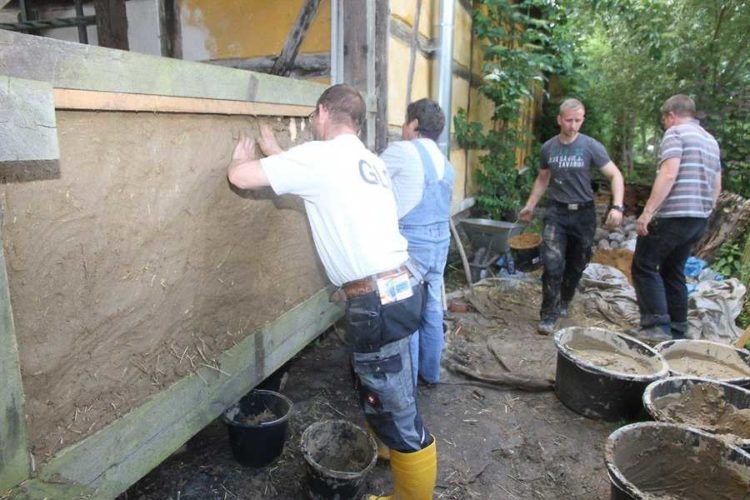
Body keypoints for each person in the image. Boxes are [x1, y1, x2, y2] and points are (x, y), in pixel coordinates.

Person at [226, 84, 436, 500]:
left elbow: (240, 178)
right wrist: (278, 152)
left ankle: (412, 495)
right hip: (401, 286)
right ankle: (389, 451)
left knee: (396, 411)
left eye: (311, 119)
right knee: (392, 390)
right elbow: (341, 203)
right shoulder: (369, 161)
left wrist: (243, 156)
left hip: (378, 303)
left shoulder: (321, 157)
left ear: (322, 113)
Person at [519, 98, 624, 335]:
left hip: (584, 214)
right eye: (569, 120)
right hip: (556, 212)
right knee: (553, 264)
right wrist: (530, 205)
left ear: (583, 120)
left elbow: (615, 176)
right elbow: (543, 178)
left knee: (577, 264)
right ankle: (548, 314)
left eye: (578, 121)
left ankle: (565, 298)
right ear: (559, 119)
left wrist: (617, 207)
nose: (573, 126)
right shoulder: (549, 148)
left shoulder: (591, 146)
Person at [630, 94, 721, 343]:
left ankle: (655, 327)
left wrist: (648, 212)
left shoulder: (676, 134)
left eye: (664, 119)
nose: (665, 124)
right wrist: (705, 211)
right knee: (673, 270)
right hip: (698, 218)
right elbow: (716, 183)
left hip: (674, 215)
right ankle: (679, 328)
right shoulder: (710, 140)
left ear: (671, 115)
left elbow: (669, 173)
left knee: (644, 265)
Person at [381, 98, 455, 385]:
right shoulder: (446, 163)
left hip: (411, 243)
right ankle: (430, 373)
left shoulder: (401, 151)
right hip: (440, 243)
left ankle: (406, 384)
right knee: (432, 306)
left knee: (403, 311)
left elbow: (368, 175)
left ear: (413, 124)